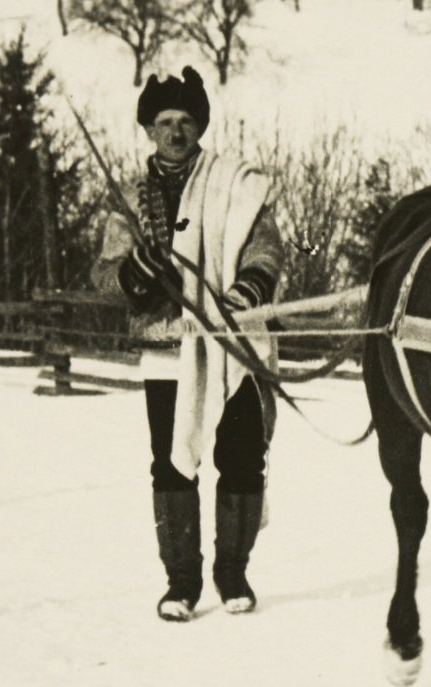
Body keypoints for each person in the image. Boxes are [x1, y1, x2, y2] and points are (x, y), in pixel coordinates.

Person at [91, 66, 283, 621]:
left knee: (243, 459)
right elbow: (104, 277)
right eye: (164, 122)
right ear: (149, 128)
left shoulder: (234, 183)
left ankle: (234, 574)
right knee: (173, 465)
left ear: (200, 125)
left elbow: (265, 246)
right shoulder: (130, 199)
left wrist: (249, 286)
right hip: (166, 350)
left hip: (232, 345)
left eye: (186, 122)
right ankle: (181, 583)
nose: (176, 132)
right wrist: (135, 274)